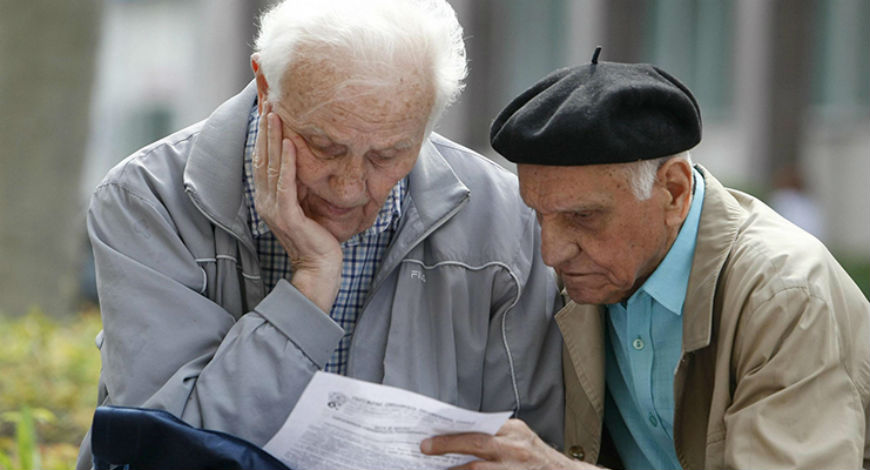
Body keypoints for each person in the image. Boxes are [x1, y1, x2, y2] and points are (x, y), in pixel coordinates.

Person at [76, 0, 565, 467]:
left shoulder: (505, 220)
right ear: (265, 86)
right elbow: (167, 450)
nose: (350, 187)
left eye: (387, 155)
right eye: (323, 146)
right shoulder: (148, 200)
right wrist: (309, 286)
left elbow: (532, 449)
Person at [421, 49, 870, 469]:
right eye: (539, 215)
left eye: (582, 217)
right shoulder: (590, 276)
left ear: (674, 191)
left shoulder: (785, 294)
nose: (551, 253)